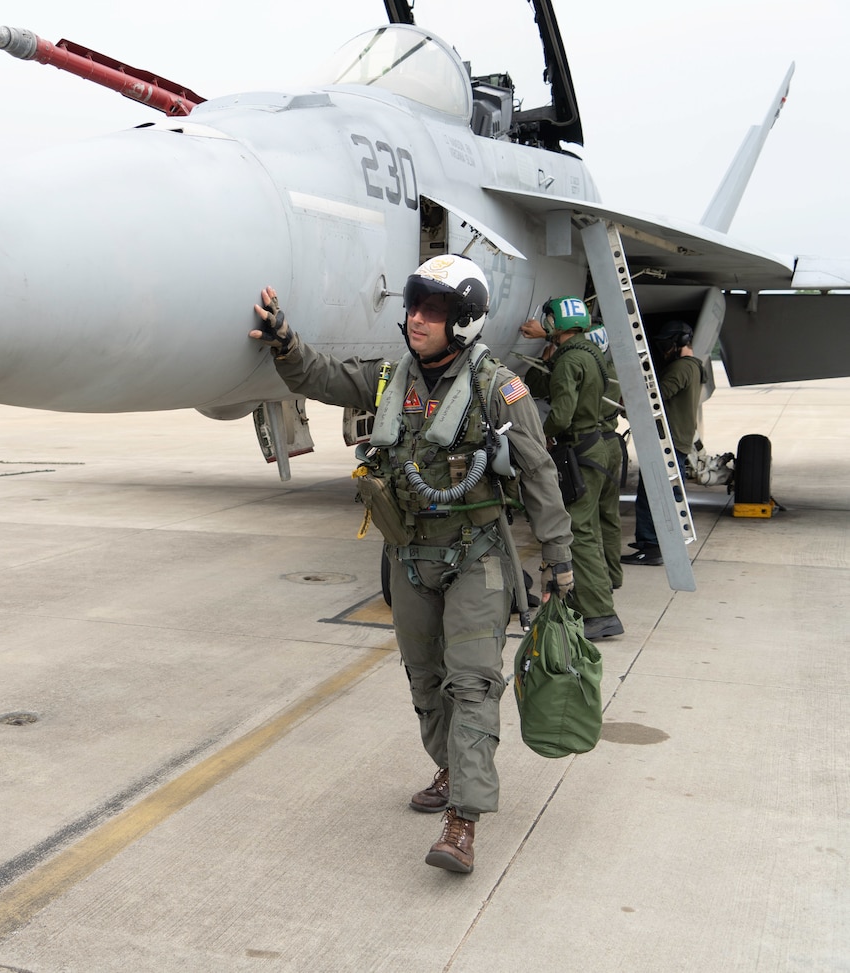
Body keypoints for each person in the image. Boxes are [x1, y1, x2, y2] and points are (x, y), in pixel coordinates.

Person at [250, 254, 574, 875]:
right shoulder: (387, 379)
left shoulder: (498, 389)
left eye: (433, 310)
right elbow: (318, 376)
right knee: (424, 680)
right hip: (409, 557)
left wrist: (559, 564)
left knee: (473, 683)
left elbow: (539, 475)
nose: (417, 318)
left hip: (476, 557)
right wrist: (284, 340)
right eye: (414, 306)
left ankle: (464, 822)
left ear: (464, 323)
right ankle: (452, 770)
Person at [519, 297, 624, 640]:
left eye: (548, 319)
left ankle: (599, 613)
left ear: (558, 323)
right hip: (599, 443)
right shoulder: (589, 352)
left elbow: (561, 415)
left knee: (577, 532)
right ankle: (599, 592)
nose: (544, 323)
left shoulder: (568, 361)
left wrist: (539, 438)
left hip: (580, 446)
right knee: (594, 526)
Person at [625, 321, 704, 565]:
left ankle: (651, 547)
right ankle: (651, 542)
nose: (664, 349)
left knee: (651, 495)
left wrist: (630, 401)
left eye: (667, 343)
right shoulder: (694, 366)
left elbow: (657, 396)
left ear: (678, 342)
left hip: (668, 440)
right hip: (678, 439)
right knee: (656, 493)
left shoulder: (680, 367)